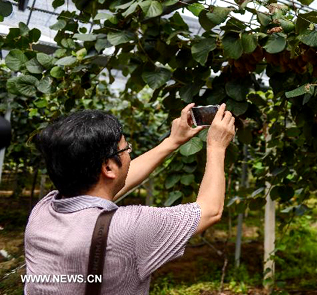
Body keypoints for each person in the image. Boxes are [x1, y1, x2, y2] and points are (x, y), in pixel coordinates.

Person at [24, 103, 235, 294]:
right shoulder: (130, 226)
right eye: (125, 149)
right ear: (108, 167)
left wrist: (172, 142)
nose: (129, 154)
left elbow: (110, 183)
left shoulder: (43, 210)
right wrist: (216, 147)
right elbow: (209, 210)